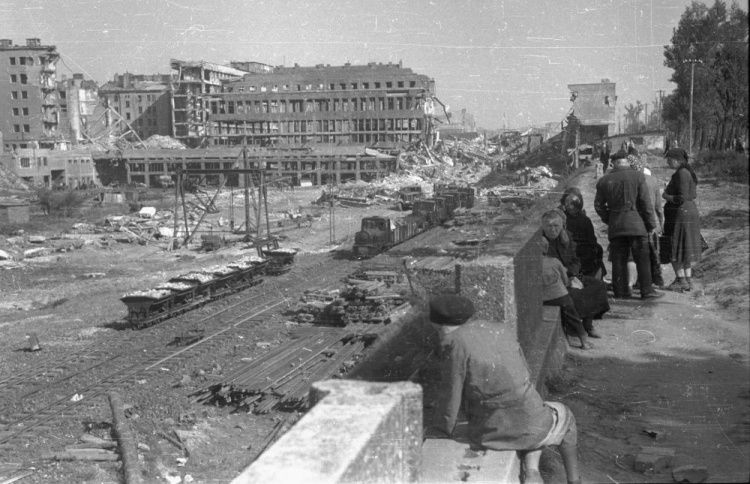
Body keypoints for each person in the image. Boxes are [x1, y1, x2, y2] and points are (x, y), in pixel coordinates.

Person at [427, 295, 582, 484]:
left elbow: (450, 393)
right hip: (530, 419)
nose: (439, 335)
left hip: (492, 431)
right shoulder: (501, 328)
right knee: (563, 416)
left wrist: (441, 429)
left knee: (524, 424)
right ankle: (569, 478)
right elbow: (524, 369)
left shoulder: (454, 342)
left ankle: (532, 470)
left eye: (437, 330)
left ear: (444, 325)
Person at [594, 152, 664, 300]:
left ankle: (621, 292)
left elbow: (599, 206)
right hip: (637, 224)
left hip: (616, 225)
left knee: (619, 259)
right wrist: (651, 224)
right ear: (627, 162)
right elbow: (645, 202)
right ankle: (647, 291)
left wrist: (610, 219)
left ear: (613, 163)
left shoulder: (603, 180)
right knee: (642, 259)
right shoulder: (638, 176)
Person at [542, 211, 608, 338]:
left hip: (571, 275)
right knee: (578, 293)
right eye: (549, 226)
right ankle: (577, 329)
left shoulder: (567, 237)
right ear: (543, 227)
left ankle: (588, 325)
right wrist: (565, 275)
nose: (553, 229)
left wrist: (572, 273)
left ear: (562, 226)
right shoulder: (541, 242)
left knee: (598, 285)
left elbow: (576, 260)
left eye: (556, 226)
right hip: (555, 282)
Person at [541, 237, 593, 350]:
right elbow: (565, 279)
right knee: (573, 316)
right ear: (546, 247)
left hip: (543, 299)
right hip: (560, 295)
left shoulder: (531, 264)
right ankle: (584, 342)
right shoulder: (554, 261)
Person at [662, 149, 702, 292]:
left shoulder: (681, 174)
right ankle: (687, 281)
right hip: (688, 212)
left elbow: (680, 198)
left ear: (677, 160)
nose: (667, 162)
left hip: (681, 214)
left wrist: (665, 195)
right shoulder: (686, 172)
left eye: (669, 159)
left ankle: (681, 281)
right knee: (685, 247)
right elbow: (692, 195)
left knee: (676, 246)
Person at [629, 155, 665, 287]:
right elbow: (658, 206)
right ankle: (653, 279)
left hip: (636, 223)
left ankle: (639, 281)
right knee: (653, 252)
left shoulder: (629, 182)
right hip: (653, 222)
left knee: (635, 253)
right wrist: (660, 223)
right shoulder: (652, 180)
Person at [558, 188, 606, 279]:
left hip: (567, 253)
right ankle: (598, 277)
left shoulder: (560, 218)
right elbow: (592, 240)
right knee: (599, 250)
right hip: (584, 255)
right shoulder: (585, 219)